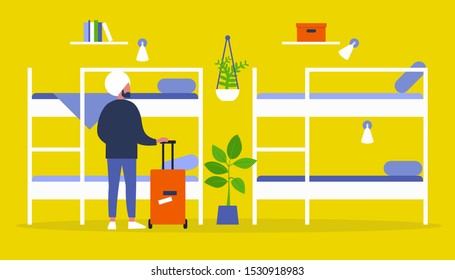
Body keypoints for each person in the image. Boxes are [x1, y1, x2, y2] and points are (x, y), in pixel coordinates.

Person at [98, 71, 168, 230]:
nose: (130, 88)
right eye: (127, 85)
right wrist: (155, 141)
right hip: (128, 153)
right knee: (130, 186)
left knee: (113, 185)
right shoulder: (131, 108)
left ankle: (112, 221)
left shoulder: (108, 109)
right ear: (120, 88)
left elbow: (101, 132)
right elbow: (139, 135)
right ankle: (130, 220)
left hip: (113, 153)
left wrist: (113, 141)